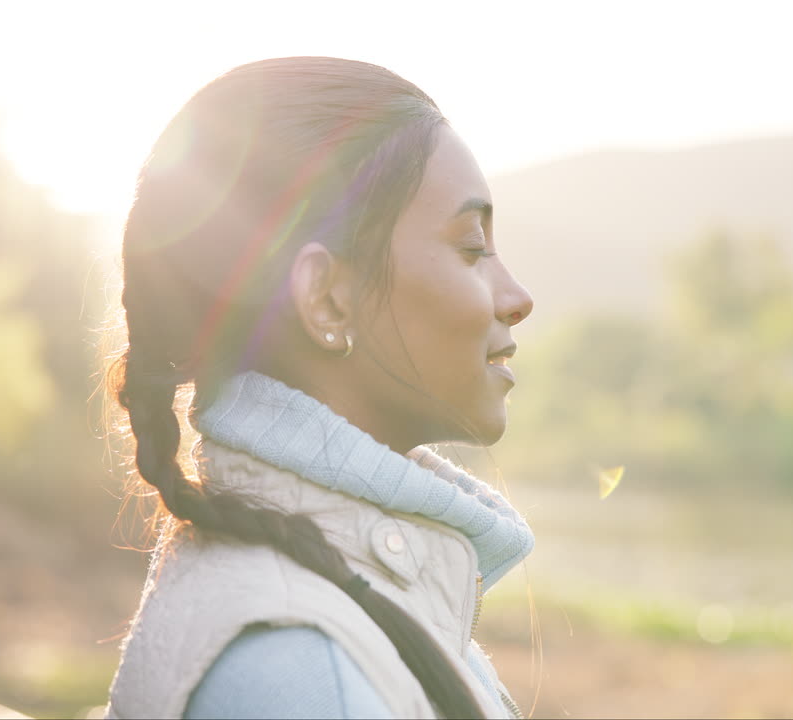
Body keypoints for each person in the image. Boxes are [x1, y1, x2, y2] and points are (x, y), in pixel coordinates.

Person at [103, 57, 535, 719]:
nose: (516, 298)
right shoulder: (299, 673)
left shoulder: (337, 612)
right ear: (328, 299)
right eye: (473, 246)